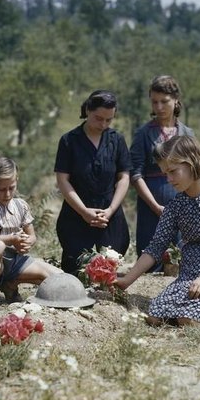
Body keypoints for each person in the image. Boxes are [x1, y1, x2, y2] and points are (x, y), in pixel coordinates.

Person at [116, 135, 200, 327]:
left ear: (192, 162)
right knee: (155, 316)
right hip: (189, 275)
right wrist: (126, 280)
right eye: (164, 174)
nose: (168, 179)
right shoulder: (176, 206)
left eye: (172, 171)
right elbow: (155, 248)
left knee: (187, 320)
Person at [54, 89, 132, 274]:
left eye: (108, 120)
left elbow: (124, 177)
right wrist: (83, 212)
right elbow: (63, 179)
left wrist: (111, 210)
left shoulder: (117, 140)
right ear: (87, 110)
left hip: (109, 215)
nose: (103, 124)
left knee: (109, 266)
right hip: (76, 215)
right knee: (77, 269)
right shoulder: (68, 141)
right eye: (98, 118)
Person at [0, 157, 62, 314]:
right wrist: (10, 239)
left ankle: (10, 284)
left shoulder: (21, 205)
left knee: (57, 277)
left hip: (15, 261)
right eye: (1, 189)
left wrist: (26, 242)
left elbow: (32, 235)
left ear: (17, 181)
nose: (7, 194)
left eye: (11, 188)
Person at [130, 75, 195, 271]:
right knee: (151, 256)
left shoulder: (187, 134)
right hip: (151, 204)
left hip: (182, 202)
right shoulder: (143, 133)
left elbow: (194, 171)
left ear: (176, 100)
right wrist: (156, 206)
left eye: (164, 101)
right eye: (154, 102)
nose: (159, 107)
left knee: (180, 257)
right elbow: (135, 173)